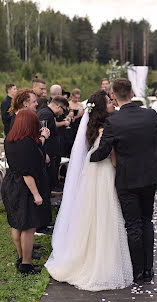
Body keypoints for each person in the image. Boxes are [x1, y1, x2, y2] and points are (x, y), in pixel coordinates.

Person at [45, 89, 134, 290]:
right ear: (102, 108)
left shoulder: (93, 127)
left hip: (91, 172)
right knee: (105, 212)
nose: (112, 102)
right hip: (103, 172)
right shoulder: (107, 128)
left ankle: (92, 253)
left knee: (92, 213)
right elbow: (111, 157)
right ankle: (101, 261)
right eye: (109, 101)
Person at [90, 78, 157, 284]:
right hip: (149, 177)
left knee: (132, 226)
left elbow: (104, 151)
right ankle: (149, 270)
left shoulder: (112, 122)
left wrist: (89, 158)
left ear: (113, 95)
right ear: (132, 92)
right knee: (146, 221)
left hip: (127, 180)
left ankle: (138, 271)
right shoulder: (150, 114)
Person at [1, 109, 50, 274]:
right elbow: (27, 173)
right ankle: (26, 264)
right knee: (28, 227)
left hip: (10, 183)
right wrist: (36, 194)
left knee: (16, 223)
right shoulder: (27, 143)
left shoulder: (10, 139)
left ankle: (21, 258)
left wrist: (41, 140)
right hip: (24, 186)